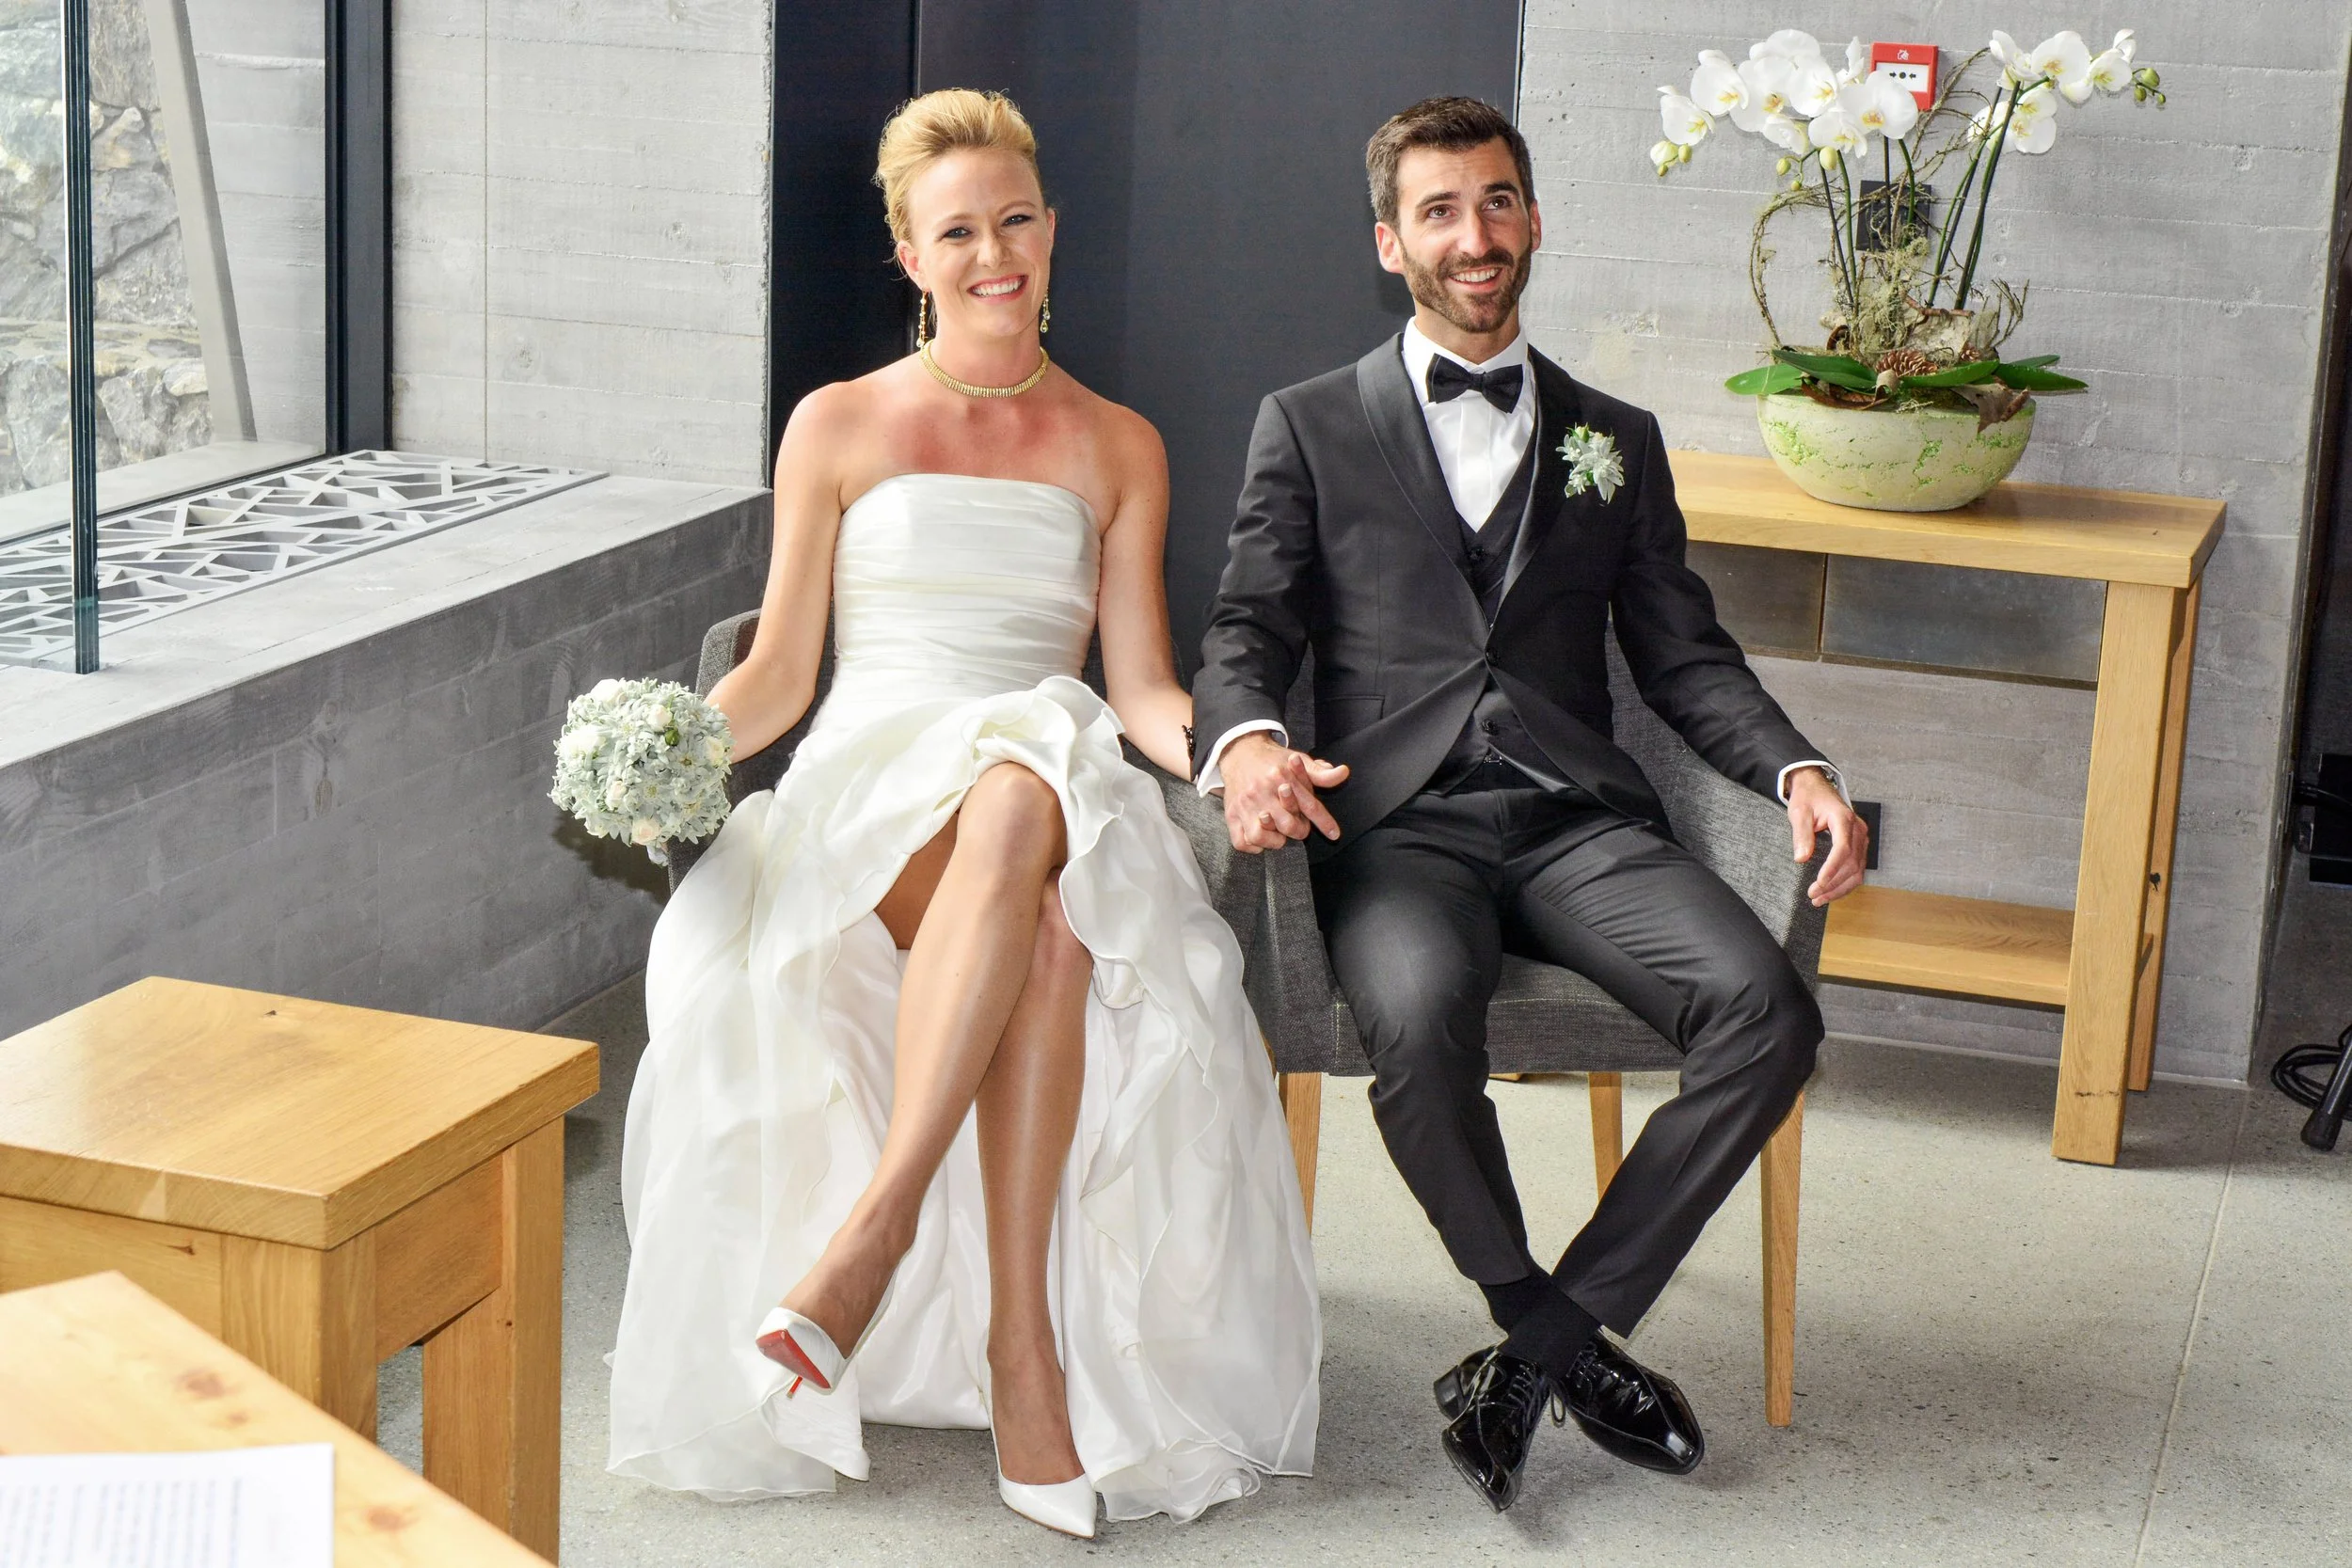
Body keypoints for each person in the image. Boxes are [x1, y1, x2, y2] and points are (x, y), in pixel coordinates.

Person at [607, 89, 1318, 1538]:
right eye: (958, 231)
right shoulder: (842, 422)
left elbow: (1136, 689)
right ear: (908, 251)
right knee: (1038, 909)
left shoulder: (1119, 444)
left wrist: (1239, 751)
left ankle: (876, 1256)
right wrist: (665, 741)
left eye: (1014, 221)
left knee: (1026, 800)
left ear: (1051, 235)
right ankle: (1021, 1364)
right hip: (871, 793)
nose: (993, 252)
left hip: (1041, 779)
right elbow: (781, 674)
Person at [1191, 96, 1867, 1513]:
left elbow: (1684, 651)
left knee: (1770, 1009)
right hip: (1397, 833)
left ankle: (1534, 1356)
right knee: (1419, 1021)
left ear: (1536, 218)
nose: (1475, 235)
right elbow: (1246, 629)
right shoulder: (1307, 426)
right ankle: (1542, 1320)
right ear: (1391, 242)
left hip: (1578, 824)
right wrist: (1248, 740)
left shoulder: (1614, 436)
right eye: (1439, 211)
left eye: (1497, 201)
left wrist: (1798, 768)